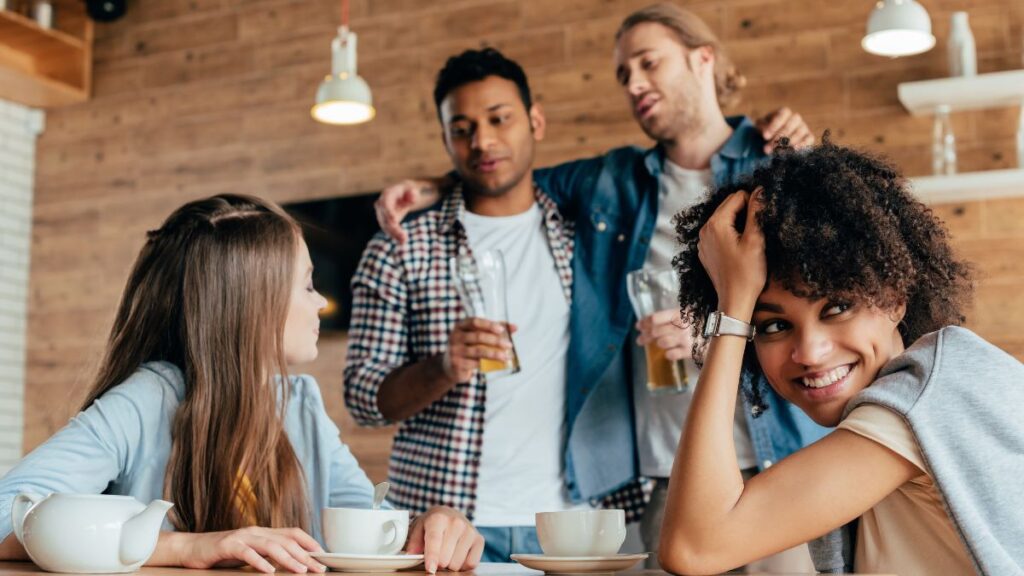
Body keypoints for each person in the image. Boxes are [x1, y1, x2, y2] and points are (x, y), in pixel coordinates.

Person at [374, 5, 826, 570]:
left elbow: (821, 309)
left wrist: (713, 334)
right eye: (622, 74)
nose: (634, 83)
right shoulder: (616, 180)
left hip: (776, 463)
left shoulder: (777, 166)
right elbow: (506, 173)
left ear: (702, 58)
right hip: (668, 474)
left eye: (648, 63)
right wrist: (432, 184)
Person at [0, 194, 482, 574]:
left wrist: (431, 524)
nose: (320, 304)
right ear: (254, 304)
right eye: (308, 285)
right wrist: (187, 548)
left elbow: (366, 527)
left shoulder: (301, 404)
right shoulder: (148, 399)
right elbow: (6, 514)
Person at [660, 137, 1024, 575]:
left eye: (836, 308)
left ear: (894, 297)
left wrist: (733, 310)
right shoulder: (908, 402)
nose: (810, 352)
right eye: (773, 325)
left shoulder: (927, 395)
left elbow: (695, 547)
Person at [344, 48, 648, 563]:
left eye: (499, 119)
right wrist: (442, 368)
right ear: (445, 140)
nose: (482, 141)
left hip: (574, 525)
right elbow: (362, 397)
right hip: (442, 528)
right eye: (461, 128)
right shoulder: (400, 247)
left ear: (536, 121)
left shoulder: (587, 237)